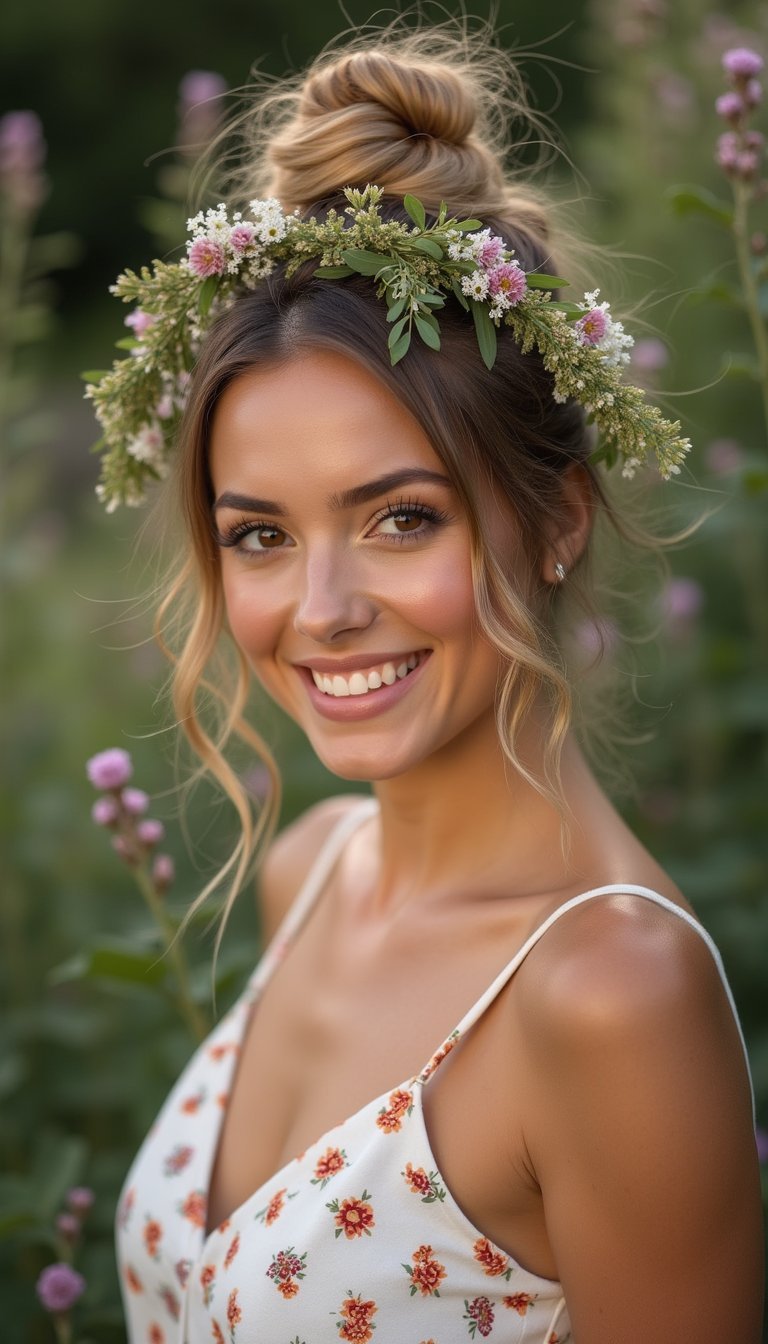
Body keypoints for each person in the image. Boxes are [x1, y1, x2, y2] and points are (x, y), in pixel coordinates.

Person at [96, 24, 763, 1344]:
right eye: (261, 536)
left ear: (557, 517)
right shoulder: (313, 865)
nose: (324, 611)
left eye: (402, 517)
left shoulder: (611, 997)